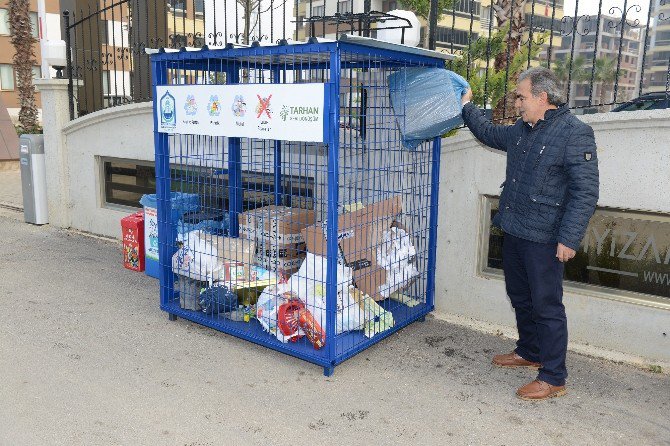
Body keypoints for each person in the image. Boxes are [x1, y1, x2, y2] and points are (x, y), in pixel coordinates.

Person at [460, 67, 599, 400]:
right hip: (515, 229)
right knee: (520, 296)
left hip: (546, 238)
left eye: (521, 96)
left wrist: (569, 238)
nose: (517, 102)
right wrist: (467, 107)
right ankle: (529, 351)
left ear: (542, 97)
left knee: (546, 306)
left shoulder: (574, 133)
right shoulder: (522, 129)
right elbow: (487, 132)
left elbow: (585, 191)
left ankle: (553, 377)